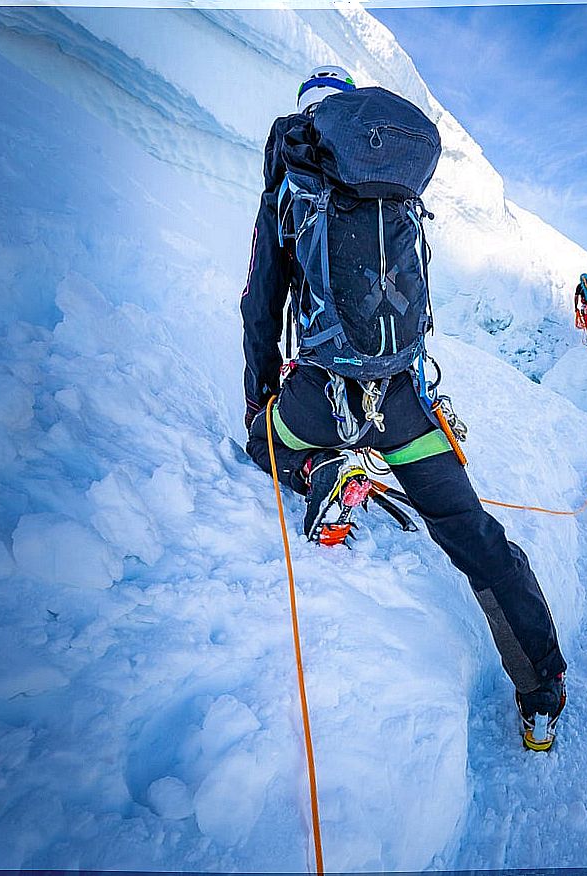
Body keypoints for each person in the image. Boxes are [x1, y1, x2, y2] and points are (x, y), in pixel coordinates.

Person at [240, 66, 567, 749]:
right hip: (403, 402)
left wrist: (262, 398)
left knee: (265, 443)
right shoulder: (397, 191)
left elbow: (260, 303)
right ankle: (541, 692)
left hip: (320, 400)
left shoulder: (293, 187)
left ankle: (320, 474)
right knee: (472, 532)